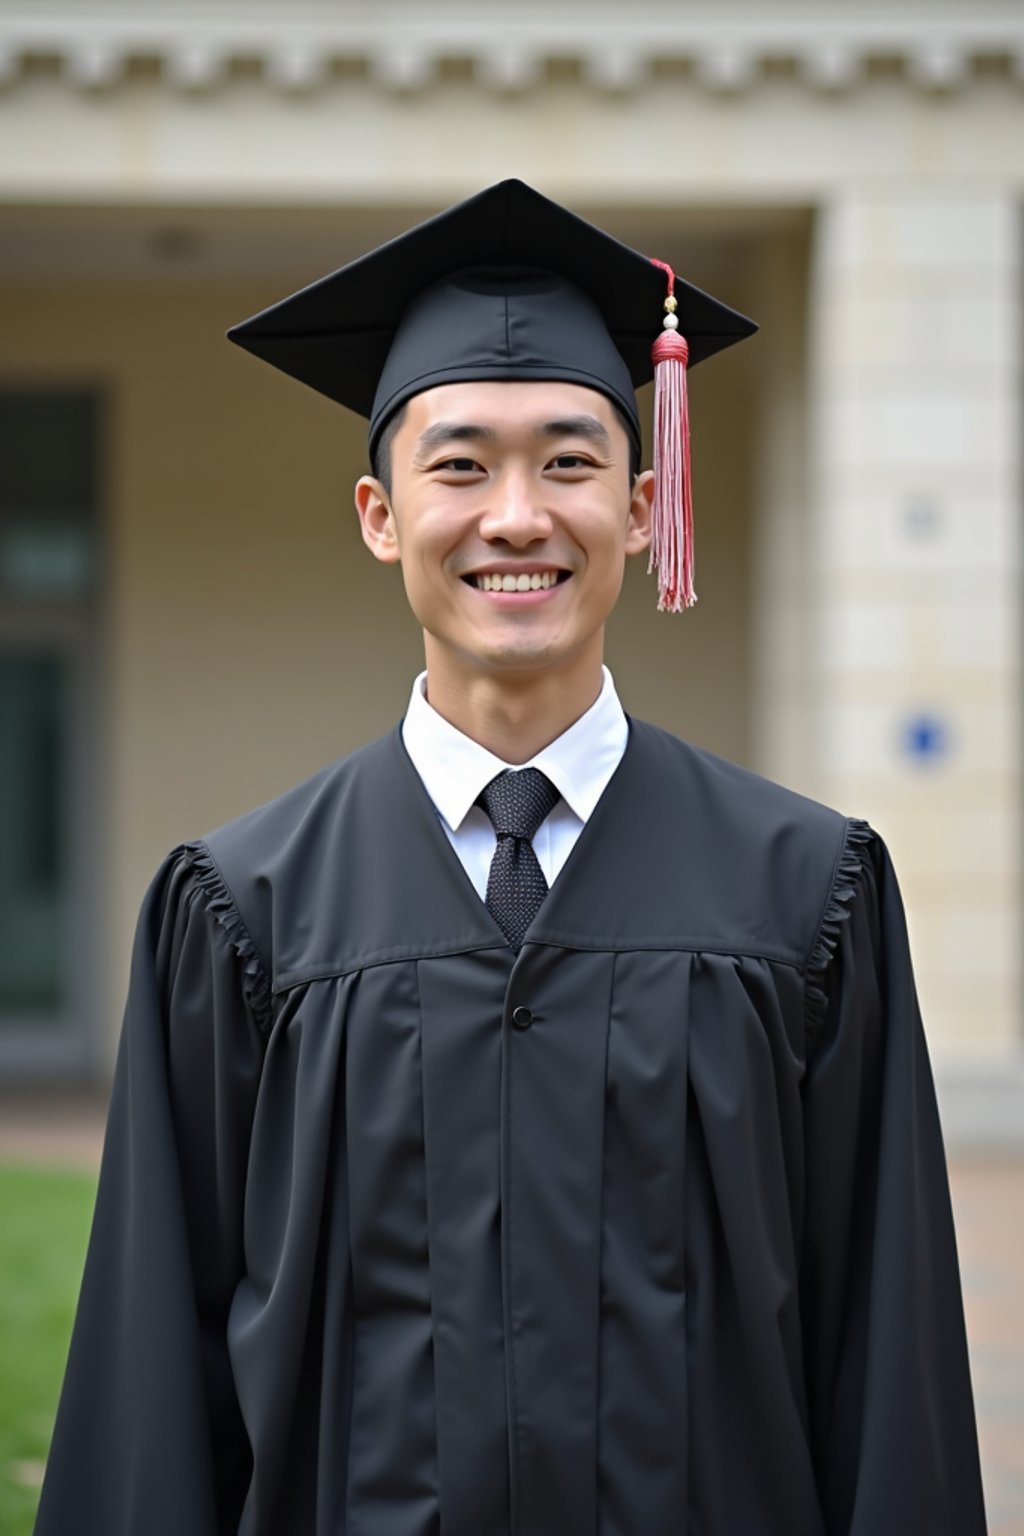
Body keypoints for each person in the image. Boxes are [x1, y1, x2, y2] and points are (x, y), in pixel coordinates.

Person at [36, 180, 986, 1536]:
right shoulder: (240, 914)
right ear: (380, 514)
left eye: (571, 462)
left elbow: (886, 1364)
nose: (519, 516)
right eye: (462, 465)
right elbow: (152, 1389)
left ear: (645, 507)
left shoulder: (809, 898)